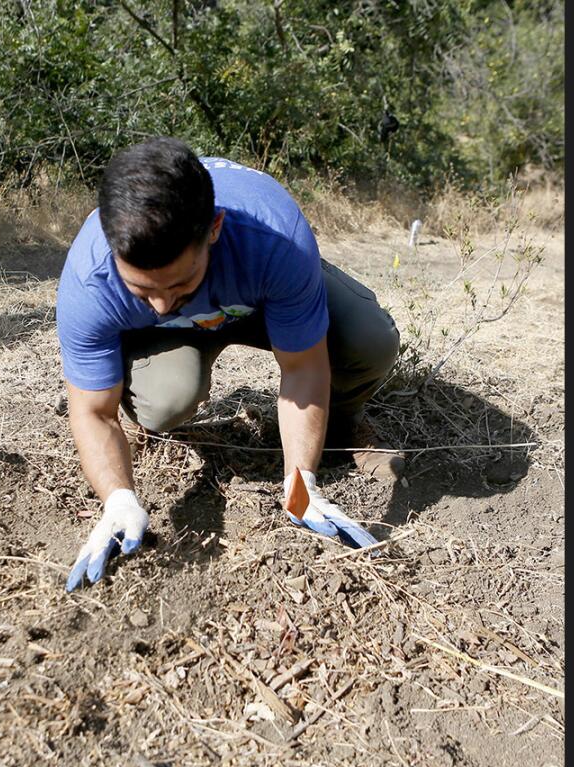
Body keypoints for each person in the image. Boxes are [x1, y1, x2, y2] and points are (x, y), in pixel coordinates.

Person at [56, 137, 405, 591]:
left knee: (368, 340)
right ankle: (158, 391)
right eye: (142, 291)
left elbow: (303, 368)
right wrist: (118, 499)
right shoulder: (91, 279)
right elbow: (94, 410)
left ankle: (341, 427)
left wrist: (301, 486)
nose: (161, 304)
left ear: (215, 228)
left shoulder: (276, 241)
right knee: (164, 405)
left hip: (258, 300)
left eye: (178, 283)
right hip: (176, 337)